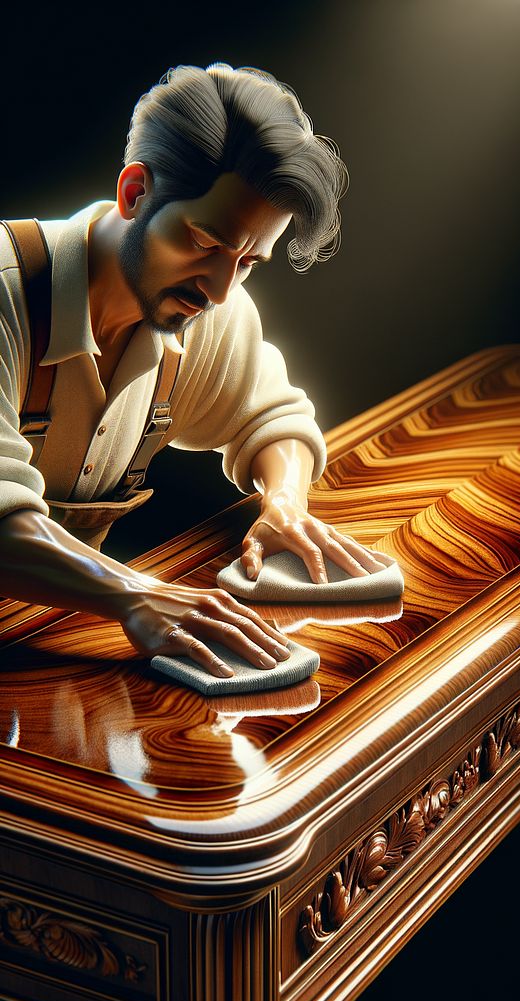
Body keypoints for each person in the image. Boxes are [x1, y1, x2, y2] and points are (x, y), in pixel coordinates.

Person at [0, 63, 386, 679]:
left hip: (47, 659)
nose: (220, 288)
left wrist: (284, 503)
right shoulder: (6, 297)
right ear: (135, 192)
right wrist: (134, 594)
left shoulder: (198, 307)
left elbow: (273, 416)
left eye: (249, 261)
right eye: (205, 241)